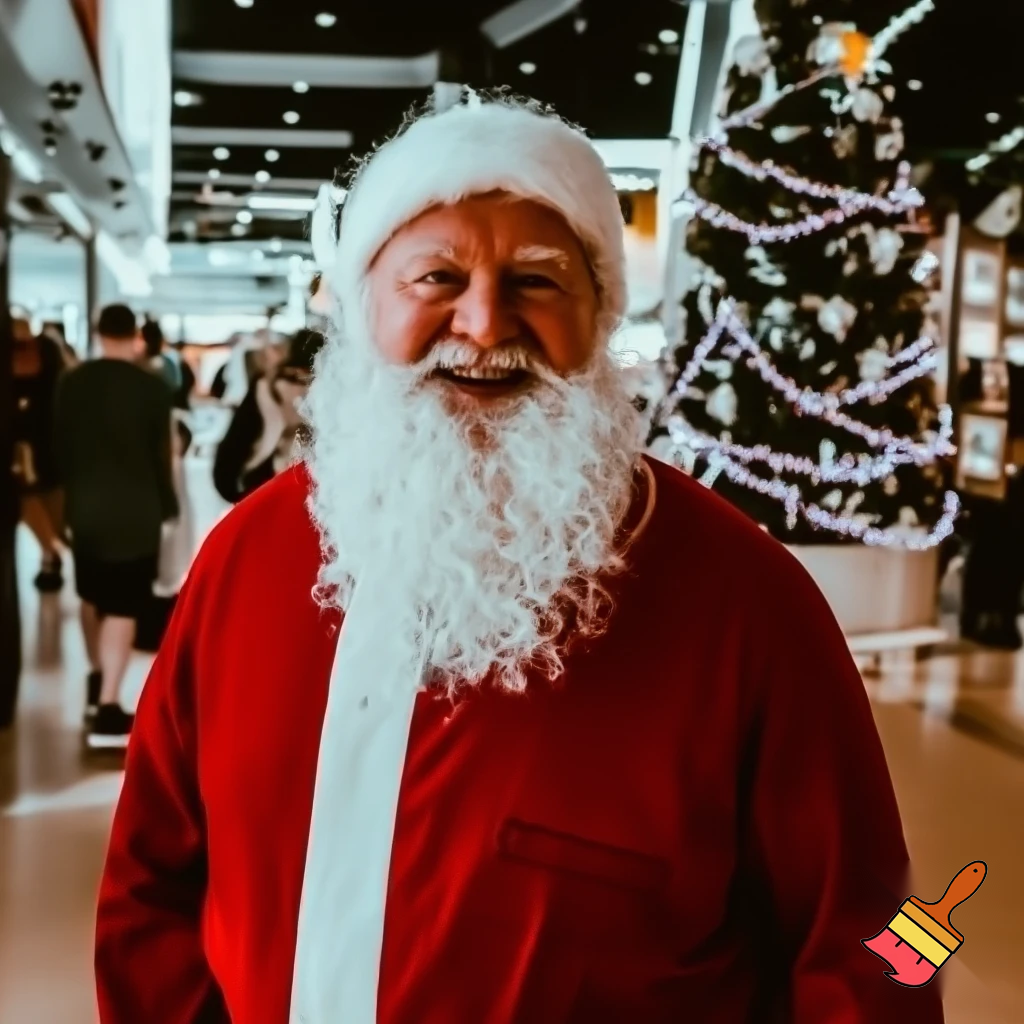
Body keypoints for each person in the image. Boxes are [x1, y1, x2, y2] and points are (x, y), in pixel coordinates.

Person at [95, 94, 942, 1022]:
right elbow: (148, 890)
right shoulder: (248, 560)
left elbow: (886, 940)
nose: (487, 323)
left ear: (601, 314)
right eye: (436, 278)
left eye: (538, 280)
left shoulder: (749, 600)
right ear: (363, 304)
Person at [55, 303, 178, 749]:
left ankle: (95, 675)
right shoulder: (151, 388)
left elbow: (60, 446)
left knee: (93, 594)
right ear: (135, 335)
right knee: (125, 602)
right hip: (136, 507)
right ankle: (109, 705)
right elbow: (160, 454)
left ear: (98, 331)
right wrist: (169, 505)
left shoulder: (73, 383)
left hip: (85, 504)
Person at [212, 328, 324, 504]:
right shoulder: (317, 391)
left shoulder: (266, 383)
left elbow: (240, 432)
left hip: (251, 470)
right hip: (283, 473)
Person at [11, 311, 66, 591]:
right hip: (22, 446)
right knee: (29, 498)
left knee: (48, 501)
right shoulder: (45, 351)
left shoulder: (49, 351)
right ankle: (50, 552)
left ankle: (52, 551)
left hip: (46, 442)